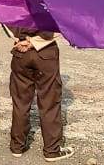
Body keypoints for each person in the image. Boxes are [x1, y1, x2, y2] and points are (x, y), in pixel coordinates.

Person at [7, 24, 73, 161]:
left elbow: (5, 18)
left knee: (20, 102)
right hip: (45, 52)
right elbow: (60, 26)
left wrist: (20, 38)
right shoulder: (51, 2)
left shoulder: (17, 2)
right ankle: (51, 150)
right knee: (49, 102)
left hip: (20, 51)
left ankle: (17, 146)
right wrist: (35, 42)